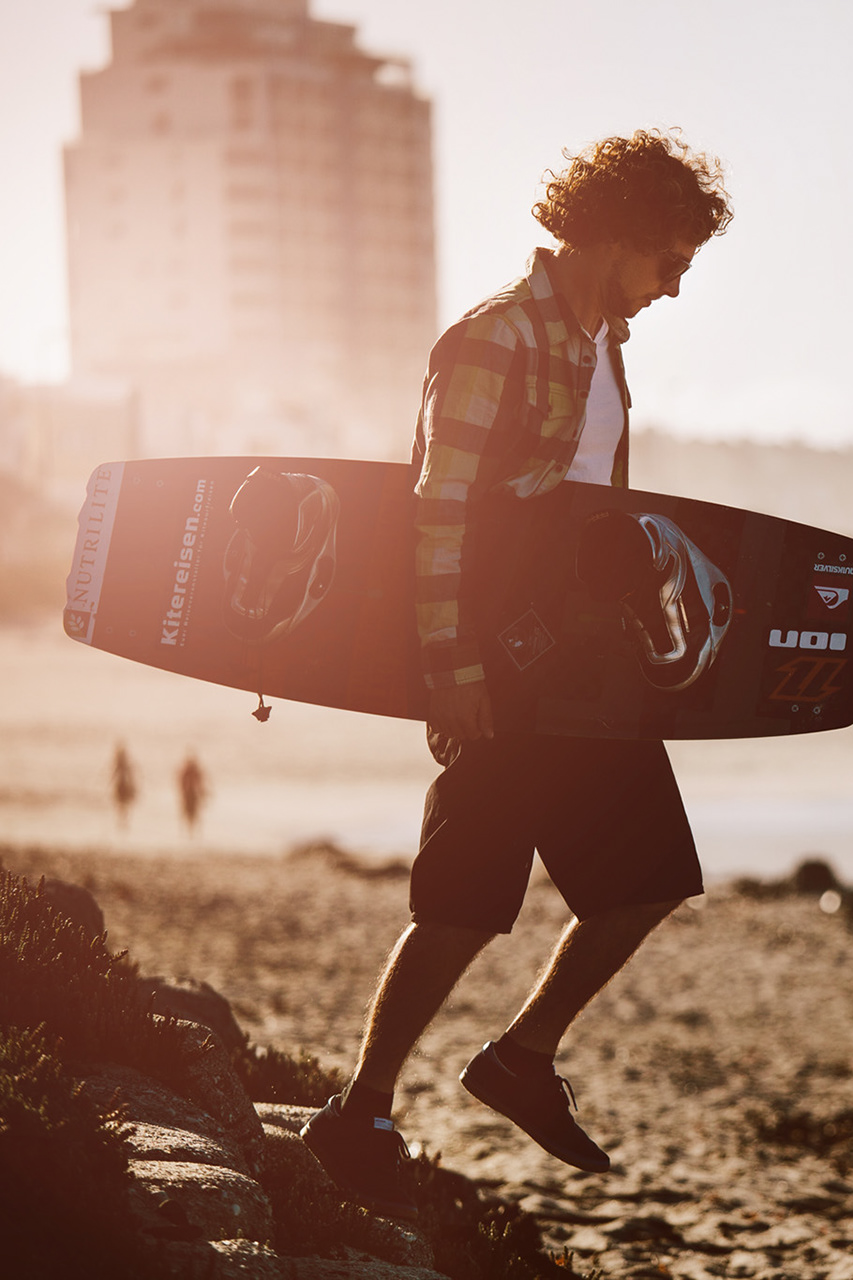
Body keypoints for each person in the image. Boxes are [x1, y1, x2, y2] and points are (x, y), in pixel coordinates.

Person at [300, 131, 732, 1219]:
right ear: (621, 230)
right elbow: (436, 514)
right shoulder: (494, 340)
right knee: (466, 899)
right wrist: (450, 663)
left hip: (591, 667)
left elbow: (596, 512)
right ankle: (362, 1109)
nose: (678, 282)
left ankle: (521, 1055)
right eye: (671, 255)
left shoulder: (603, 349)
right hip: (499, 657)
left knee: (649, 879)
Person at [177, 751, 207, 835]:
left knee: (193, 814)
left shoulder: (193, 771)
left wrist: (202, 793)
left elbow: (199, 783)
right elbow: (182, 783)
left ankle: (193, 832)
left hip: (192, 795)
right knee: (188, 813)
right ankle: (188, 832)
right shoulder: (187, 771)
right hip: (189, 795)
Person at [110, 741, 137, 829]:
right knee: (123, 805)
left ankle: (123, 823)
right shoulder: (124, 764)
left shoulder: (120, 764)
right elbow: (129, 775)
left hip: (121, 786)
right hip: (123, 786)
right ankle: (124, 823)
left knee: (122, 805)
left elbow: (114, 775)